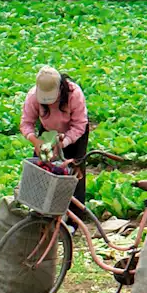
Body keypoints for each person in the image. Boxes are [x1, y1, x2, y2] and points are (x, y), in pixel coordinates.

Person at [20, 66, 90, 203]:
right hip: (48, 133)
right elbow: (26, 123)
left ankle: (73, 216)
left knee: (74, 172)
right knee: (42, 169)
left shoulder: (74, 94)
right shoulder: (33, 96)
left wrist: (62, 144)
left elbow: (79, 125)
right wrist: (35, 141)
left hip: (74, 133)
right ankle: (42, 209)